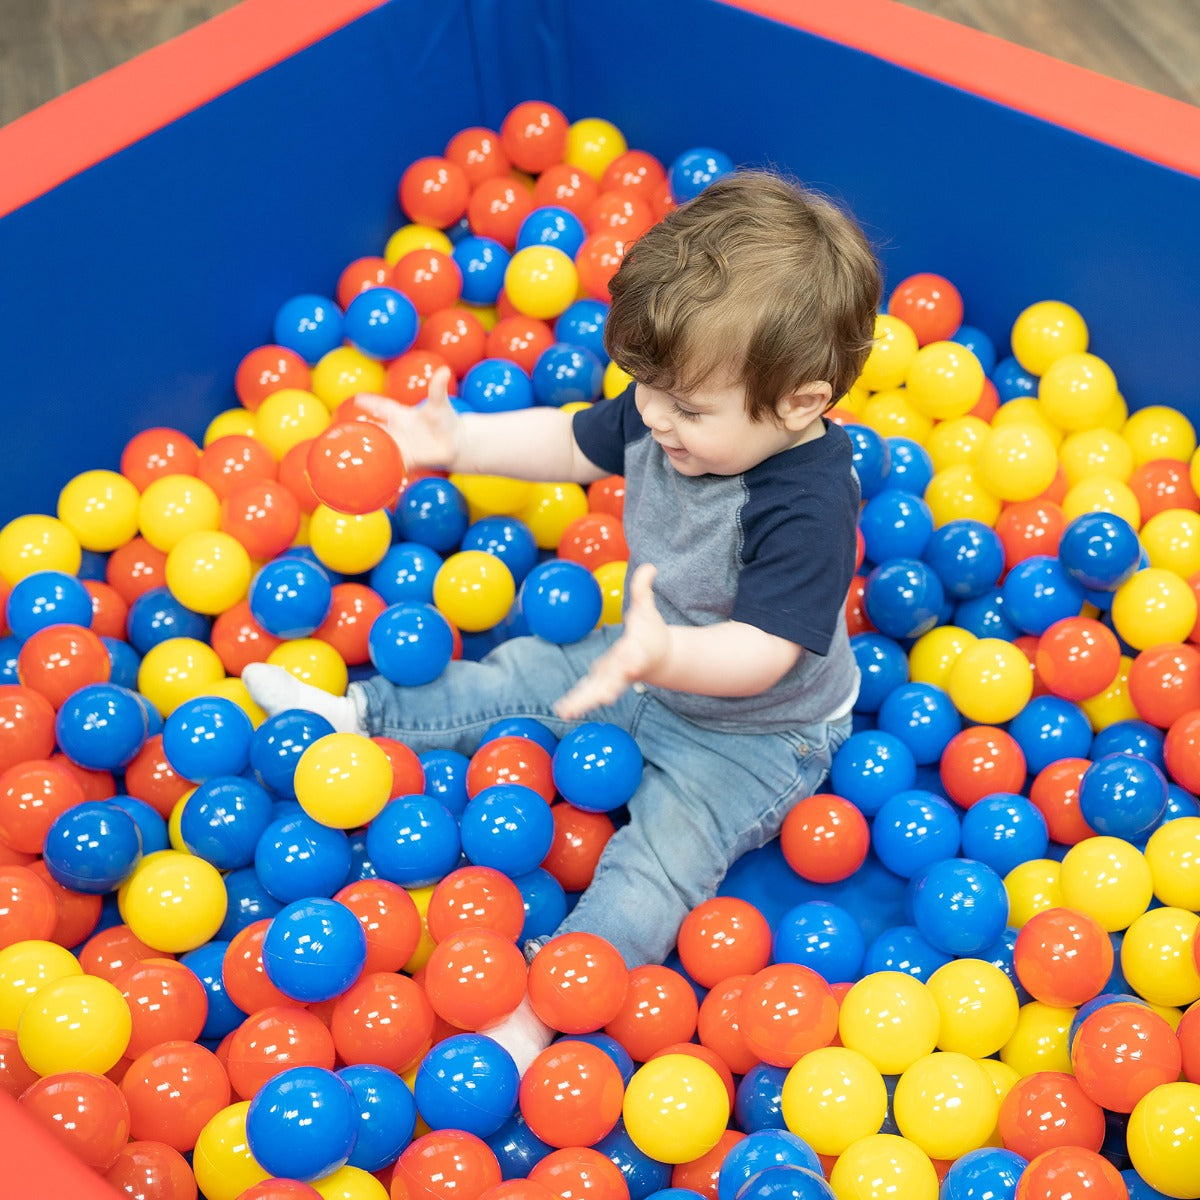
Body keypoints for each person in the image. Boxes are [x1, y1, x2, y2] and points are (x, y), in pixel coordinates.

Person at [244, 168, 881, 1069]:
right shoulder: (674, 402)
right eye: (647, 389)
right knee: (519, 673)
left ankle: (550, 1000)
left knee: (655, 861)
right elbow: (575, 441)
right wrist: (456, 441)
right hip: (642, 660)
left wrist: (665, 653)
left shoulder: (809, 503)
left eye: (687, 408)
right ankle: (358, 715)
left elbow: (765, 653)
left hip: (757, 734)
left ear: (801, 403)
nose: (654, 417)